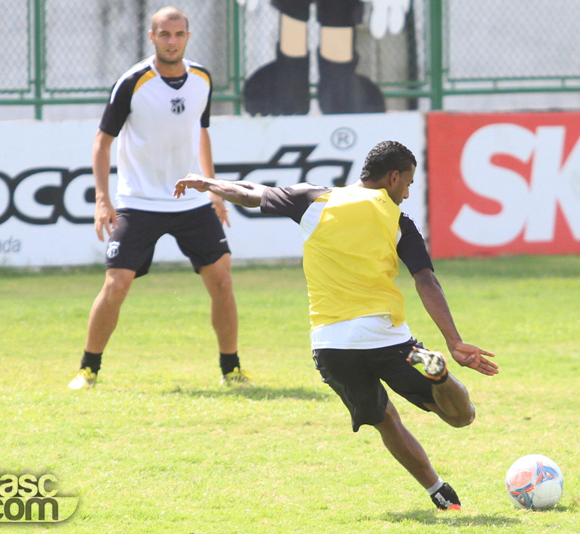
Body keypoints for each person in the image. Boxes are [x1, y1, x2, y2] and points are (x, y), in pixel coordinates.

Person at [173, 141, 498, 511]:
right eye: (406, 183)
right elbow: (426, 281)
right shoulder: (398, 221)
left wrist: (208, 183)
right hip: (387, 337)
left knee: (384, 418)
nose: (407, 193)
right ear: (393, 178)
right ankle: (437, 375)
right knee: (460, 416)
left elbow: (250, 192)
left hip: (331, 345)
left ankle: (437, 491)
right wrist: (454, 341)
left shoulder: (314, 199)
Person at [69, 6, 252, 390]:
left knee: (222, 281)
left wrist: (215, 189)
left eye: (179, 34)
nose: (172, 41)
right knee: (116, 283)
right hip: (139, 202)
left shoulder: (202, 78)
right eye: (164, 34)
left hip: (192, 201)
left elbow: (201, 132)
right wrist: (103, 199)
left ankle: (232, 369)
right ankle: (88, 369)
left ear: (187, 36)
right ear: (151, 37)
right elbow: (102, 144)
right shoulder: (133, 82)